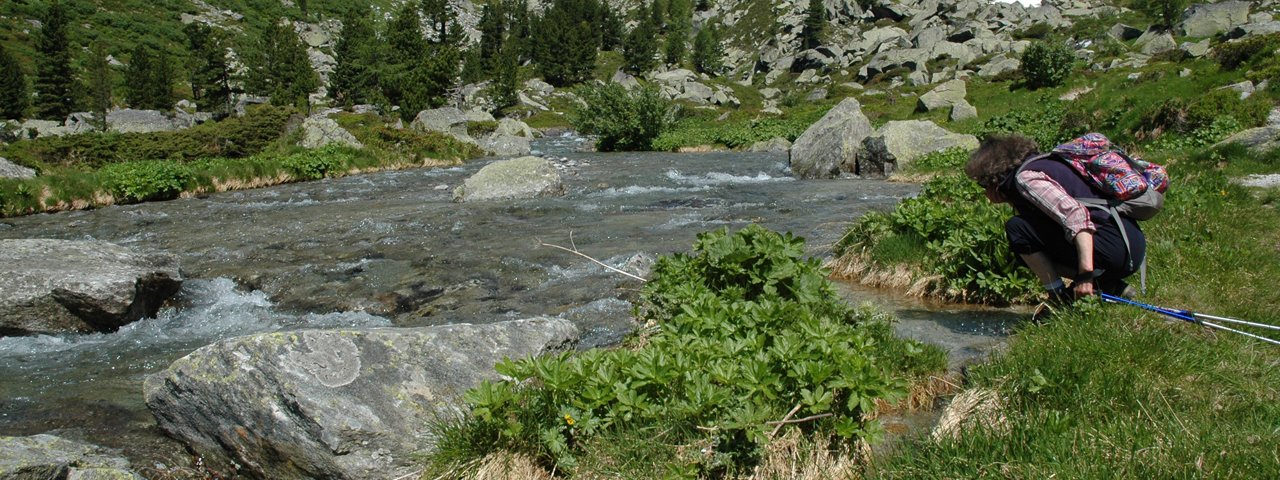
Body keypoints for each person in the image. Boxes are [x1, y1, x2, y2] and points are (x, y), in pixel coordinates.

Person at [964, 134, 1145, 310]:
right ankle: (1109, 286)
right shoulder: (1042, 164)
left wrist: (1085, 276)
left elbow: (1077, 216)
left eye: (983, 185)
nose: (984, 193)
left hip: (1115, 248)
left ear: (994, 178)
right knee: (1025, 246)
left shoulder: (1027, 179)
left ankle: (1059, 299)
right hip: (1128, 241)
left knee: (1018, 230)